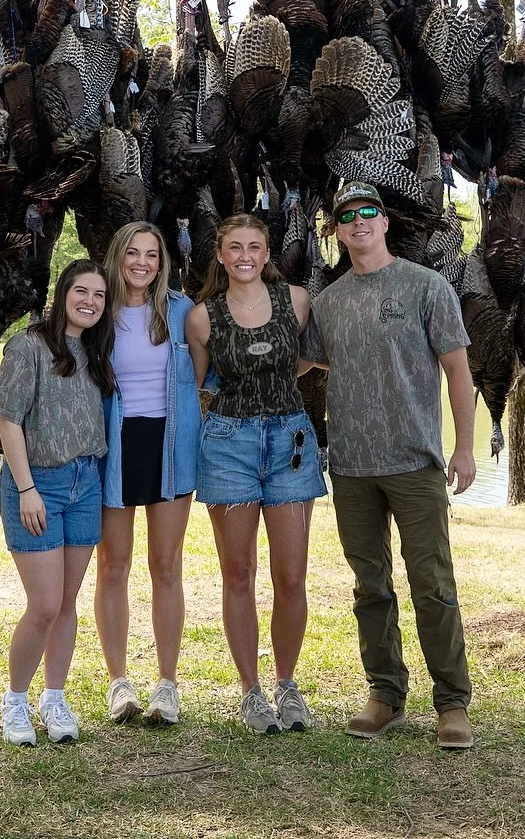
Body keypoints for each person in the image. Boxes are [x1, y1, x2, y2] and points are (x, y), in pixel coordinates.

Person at [301, 182, 478, 750]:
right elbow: (298, 364)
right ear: (337, 230)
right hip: (350, 467)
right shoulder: (328, 302)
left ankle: (452, 703)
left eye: (368, 213)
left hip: (415, 463)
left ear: (385, 222)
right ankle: (385, 695)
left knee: (432, 583)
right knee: (369, 585)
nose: (358, 222)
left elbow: (458, 371)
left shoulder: (427, 287)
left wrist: (466, 447)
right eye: (347, 216)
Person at [184, 213, 326, 735]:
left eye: (255, 247)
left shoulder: (298, 300)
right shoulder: (202, 318)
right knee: (238, 574)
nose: (245, 256)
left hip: (289, 440)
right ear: (220, 255)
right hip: (228, 443)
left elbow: (308, 360)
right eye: (234, 247)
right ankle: (251, 692)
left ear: (267, 254)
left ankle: (287, 685)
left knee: (290, 576)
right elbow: (195, 384)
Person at [0, 259, 116, 748]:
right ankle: (15, 700)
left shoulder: (96, 352)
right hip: (40, 483)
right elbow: (9, 421)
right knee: (42, 604)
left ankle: (54, 696)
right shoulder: (28, 346)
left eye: (99, 296)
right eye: (81, 291)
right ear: (63, 293)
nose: (90, 302)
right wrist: (26, 489)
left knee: (66, 604)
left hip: (88, 484)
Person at [96, 221, 201, 727]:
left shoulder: (181, 312)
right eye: (133, 252)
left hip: (171, 445)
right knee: (113, 565)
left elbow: (209, 372)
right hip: (114, 445)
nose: (142, 263)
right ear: (118, 256)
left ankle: (166, 685)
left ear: (162, 263)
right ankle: (118, 683)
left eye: (152, 255)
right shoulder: (98, 311)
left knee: (166, 565)